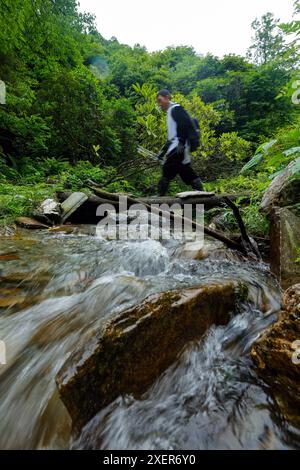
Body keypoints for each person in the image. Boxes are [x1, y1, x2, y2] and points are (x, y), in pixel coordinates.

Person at [156, 89, 204, 196]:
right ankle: (202, 194)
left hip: (179, 146)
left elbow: (185, 124)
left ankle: (159, 196)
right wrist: (162, 152)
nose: (159, 104)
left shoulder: (176, 108)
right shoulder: (170, 111)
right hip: (177, 145)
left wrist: (181, 143)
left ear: (167, 97)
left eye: (160, 100)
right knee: (185, 171)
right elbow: (171, 137)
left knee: (167, 169)